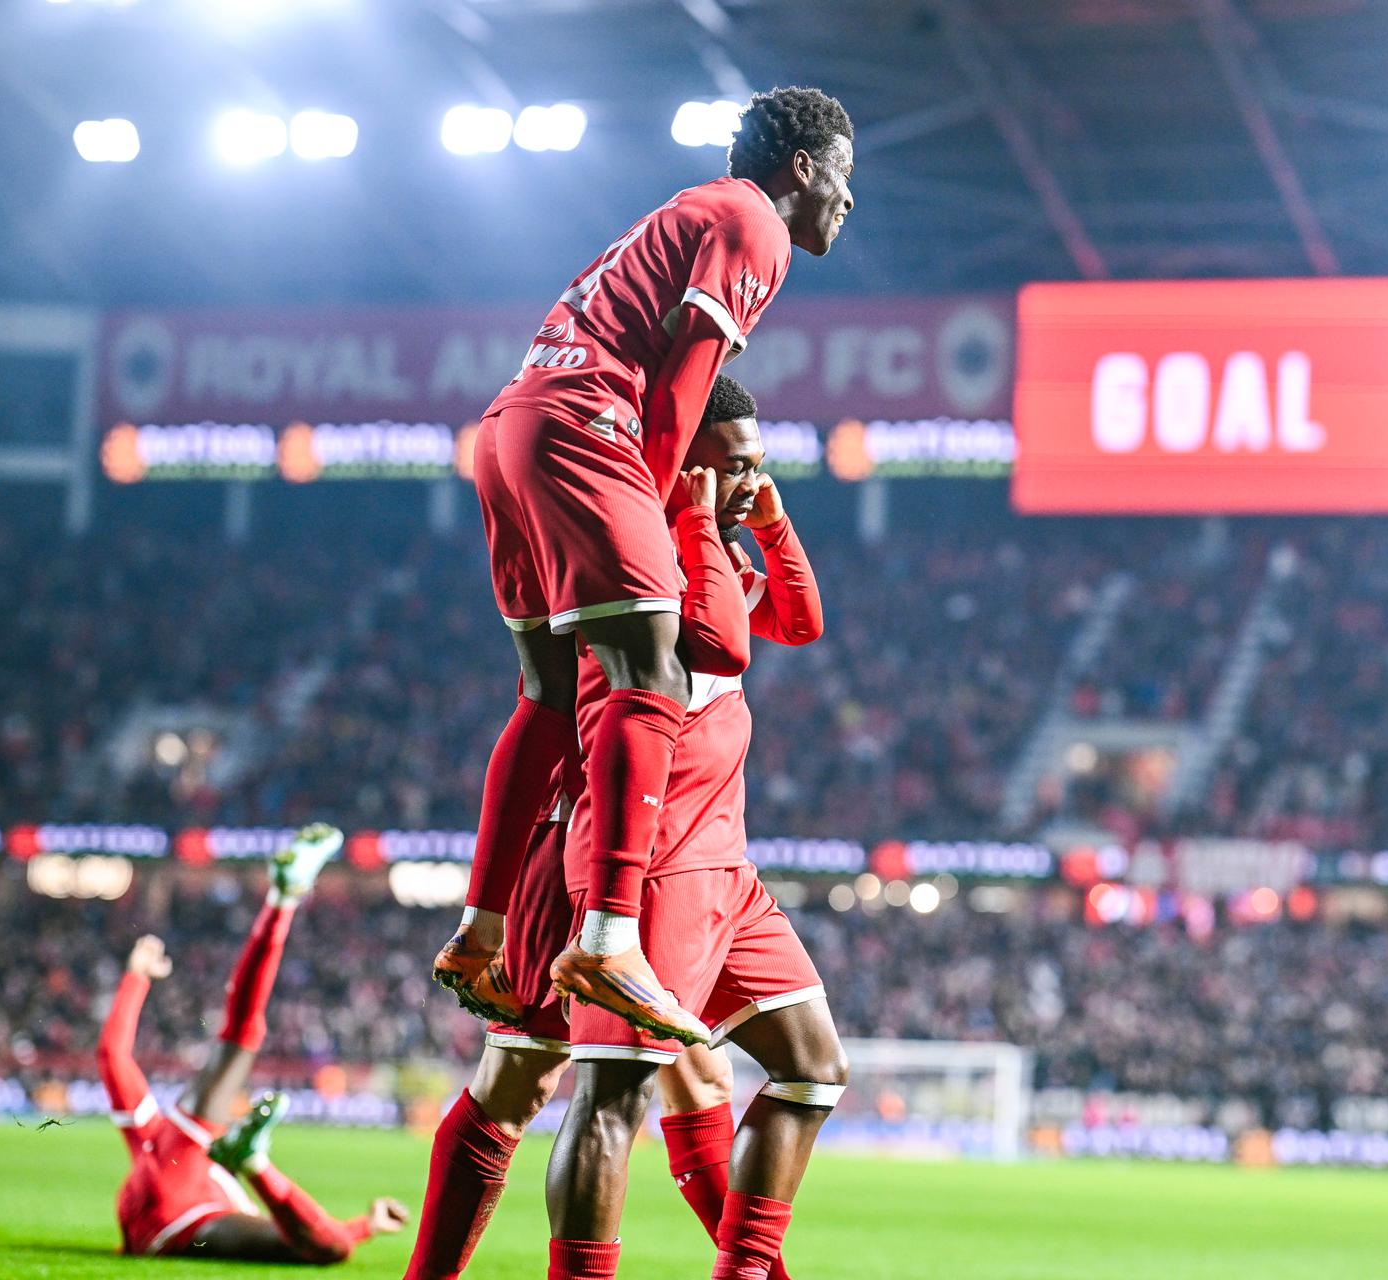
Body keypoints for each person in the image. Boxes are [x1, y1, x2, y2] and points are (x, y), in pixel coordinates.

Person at [434, 86, 855, 1048]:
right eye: (844, 175)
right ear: (802, 168)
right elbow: (678, 394)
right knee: (651, 665)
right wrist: (665, 523)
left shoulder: (690, 210)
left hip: (512, 425)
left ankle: (479, 927)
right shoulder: (756, 225)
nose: (848, 200)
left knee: (546, 694)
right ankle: (611, 935)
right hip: (590, 428)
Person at [406, 376, 820, 1280]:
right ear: (688, 460)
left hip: (694, 860)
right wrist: (709, 521)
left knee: (566, 1079)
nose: (757, 475)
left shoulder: (688, 547)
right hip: (632, 864)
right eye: (741, 461)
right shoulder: (646, 564)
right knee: (576, 1089)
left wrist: (766, 520)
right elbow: (720, 644)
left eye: (761, 460)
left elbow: (798, 620)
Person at [94, 825, 409, 1262]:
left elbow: (112, 1056)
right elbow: (111, 1058)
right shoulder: (162, 1140)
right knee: (322, 1248)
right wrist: (364, 1227)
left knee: (240, 1037)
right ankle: (255, 1163)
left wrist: (135, 977)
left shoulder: (153, 1137)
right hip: (185, 1218)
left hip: (164, 1215)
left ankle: (282, 901)